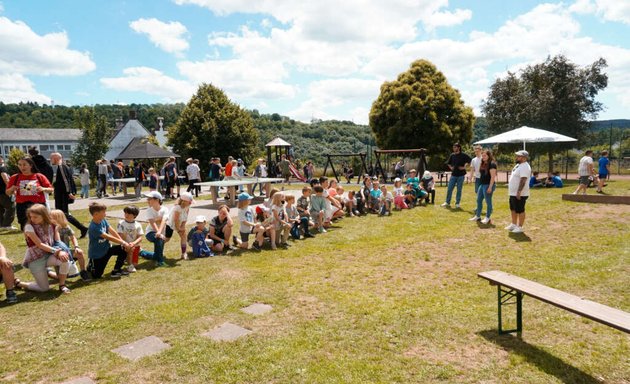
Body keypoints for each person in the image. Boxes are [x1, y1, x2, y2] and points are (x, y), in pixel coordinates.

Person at [15, 204, 71, 293]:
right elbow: (39, 244)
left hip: (49, 255)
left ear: (44, 215)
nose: (32, 219)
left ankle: (62, 285)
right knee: (44, 289)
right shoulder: (29, 227)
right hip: (36, 259)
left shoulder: (53, 224)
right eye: (31, 217)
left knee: (65, 260)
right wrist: (57, 252)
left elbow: (57, 241)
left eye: (35, 217)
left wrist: (61, 251)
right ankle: (19, 284)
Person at [6, 157, 53, 230]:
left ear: (31, 165)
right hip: (22, 206)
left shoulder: (39, 176)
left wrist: (43, 189)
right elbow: (7, 192)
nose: (22, 167)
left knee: (40, 227)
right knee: (25, 228)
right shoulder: (15, 177)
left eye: (24, 164)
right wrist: (12, 189)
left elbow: (51, 189)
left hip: (38, 205)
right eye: (20, 165)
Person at [85, 202, 129, 278]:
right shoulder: (94, 227)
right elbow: (108, 237)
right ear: (96, 214)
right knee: (97, 275)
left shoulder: (103, 220)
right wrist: (123, 242)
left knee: (123, 249)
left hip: (107, 248)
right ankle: (91, 265)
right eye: (104, 212)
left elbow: (112, 231)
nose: (105, 213)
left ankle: (116, 270)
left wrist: (122, 242)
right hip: (98, 254)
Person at [50, 153, 89, 238]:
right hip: (62, 194)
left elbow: (66, 181)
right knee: (63, 214)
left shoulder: (61, 166)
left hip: (63, 195)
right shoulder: (63, 166)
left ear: (56, 158)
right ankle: (79, 229)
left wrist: (69, 192)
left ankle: (82, 229)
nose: (50, 160)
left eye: (51, 158)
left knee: (63, 214)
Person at [49, 209, 90, 281]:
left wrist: (76, 247)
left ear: (59, 218)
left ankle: (83, 271)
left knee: (79, 253)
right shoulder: (50, 229)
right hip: (57, 253)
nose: (50, 219)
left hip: (67, 251)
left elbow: (73, 237)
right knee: (61, 277)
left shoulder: (66, 227)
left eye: (52, 218)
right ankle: (48, 272)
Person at [117, 205, 154, 272]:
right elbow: (120, 235)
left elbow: (140, 237)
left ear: (134, 215)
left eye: (128, 213)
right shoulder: (121, 223)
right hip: (125, 245)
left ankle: (131, 257)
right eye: (125, 213)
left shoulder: (138, 224)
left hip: (135, 245)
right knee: (130, 252)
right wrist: (126, 244)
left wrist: (133, 243)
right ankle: (129, 263)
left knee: (135, 264)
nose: (126, 214)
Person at [506, 150, 531, 234]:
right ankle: (513, 224)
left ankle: (520, 226)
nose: (516, 157)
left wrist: (519, 191)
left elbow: (523, 180)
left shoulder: (525, 166)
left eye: (518, 156)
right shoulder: (518, 165)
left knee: (520, 210)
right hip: (512, 192)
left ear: (524, 158)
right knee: (513, 209)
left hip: (520, 193)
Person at [470, 150, 497, 225]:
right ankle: (478, 216)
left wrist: (490, 187)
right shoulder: (483, 163)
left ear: (489, 156)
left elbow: (493, 177)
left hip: (488, 185)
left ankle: (487, 218)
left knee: (488, 202)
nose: (483, 157)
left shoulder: (492, 164)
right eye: (483, 155)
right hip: (482, 185)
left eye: (485, 155)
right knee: (478, 200)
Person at [442, 143, 471, 208]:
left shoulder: (464, 155)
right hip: (453, 175)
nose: (454, 148)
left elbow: (470, 161)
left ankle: (457, 203)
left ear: (459, 148)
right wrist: (451, 167)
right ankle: (447, 202)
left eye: (455, 147)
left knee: (459, 190)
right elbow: (448, 163)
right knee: (449, 189)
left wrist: (464, 167)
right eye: (453, 147)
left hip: (461, 175)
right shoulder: (452, 155)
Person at [144, 191, 170, 266]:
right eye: (147, 198)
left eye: (150, 198)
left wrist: (159, 232)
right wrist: (158, 233)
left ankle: (142, 252)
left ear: (157, 200)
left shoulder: (165, 209)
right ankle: (160, 261)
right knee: (159, 239)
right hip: (150, 232)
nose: (147, 200)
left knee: (157, 253)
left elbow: (164, 221)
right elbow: (152, 223)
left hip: (161, 232)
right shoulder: (149, 210)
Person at [169, 192, 193, 260]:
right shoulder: (177, 208)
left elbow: (185, 217)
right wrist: (179, 229)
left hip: (179, 223)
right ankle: (158, 251)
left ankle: (184, 253)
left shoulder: (187, 206)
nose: (190, 203)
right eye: (189, 202)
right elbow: (175, 220)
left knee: (183, 236)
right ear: (184, 201)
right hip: (170, 224)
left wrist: (183, 226)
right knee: (166, 239)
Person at [0, 156, 16, 231]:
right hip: (4, 192)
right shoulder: (2, 168)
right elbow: (5, 178)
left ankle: (1, 224)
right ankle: (7, 224)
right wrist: (11, 189)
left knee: (0, 209)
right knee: (11, 207)